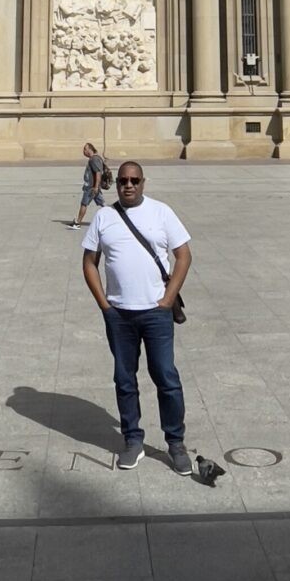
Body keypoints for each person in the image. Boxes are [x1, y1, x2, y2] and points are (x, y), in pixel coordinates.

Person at [81, 162, 193, 473]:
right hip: (119, 314)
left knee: (166, 378)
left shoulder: (161, 212)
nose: (128, 185)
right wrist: (105, 305)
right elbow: (89, 262)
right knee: (124, 380)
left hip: (156, 313)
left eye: (134, 180)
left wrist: (168, 299)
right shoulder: (104, 217)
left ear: (143, 182)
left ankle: (175, 443)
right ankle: (133, 440)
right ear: (115, 184)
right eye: (122, 181)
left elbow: (183, 255)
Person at [68, 142, 105, 229]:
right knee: (102, 203)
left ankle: (78, 223)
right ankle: (116, 215)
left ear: (90, 149)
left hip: (91, 187)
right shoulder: (96, 158)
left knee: (84, 204)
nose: (83, 151)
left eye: (85, 149)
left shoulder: (94, 159)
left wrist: (95, 187)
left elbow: (98, 173)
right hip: (94, 187)